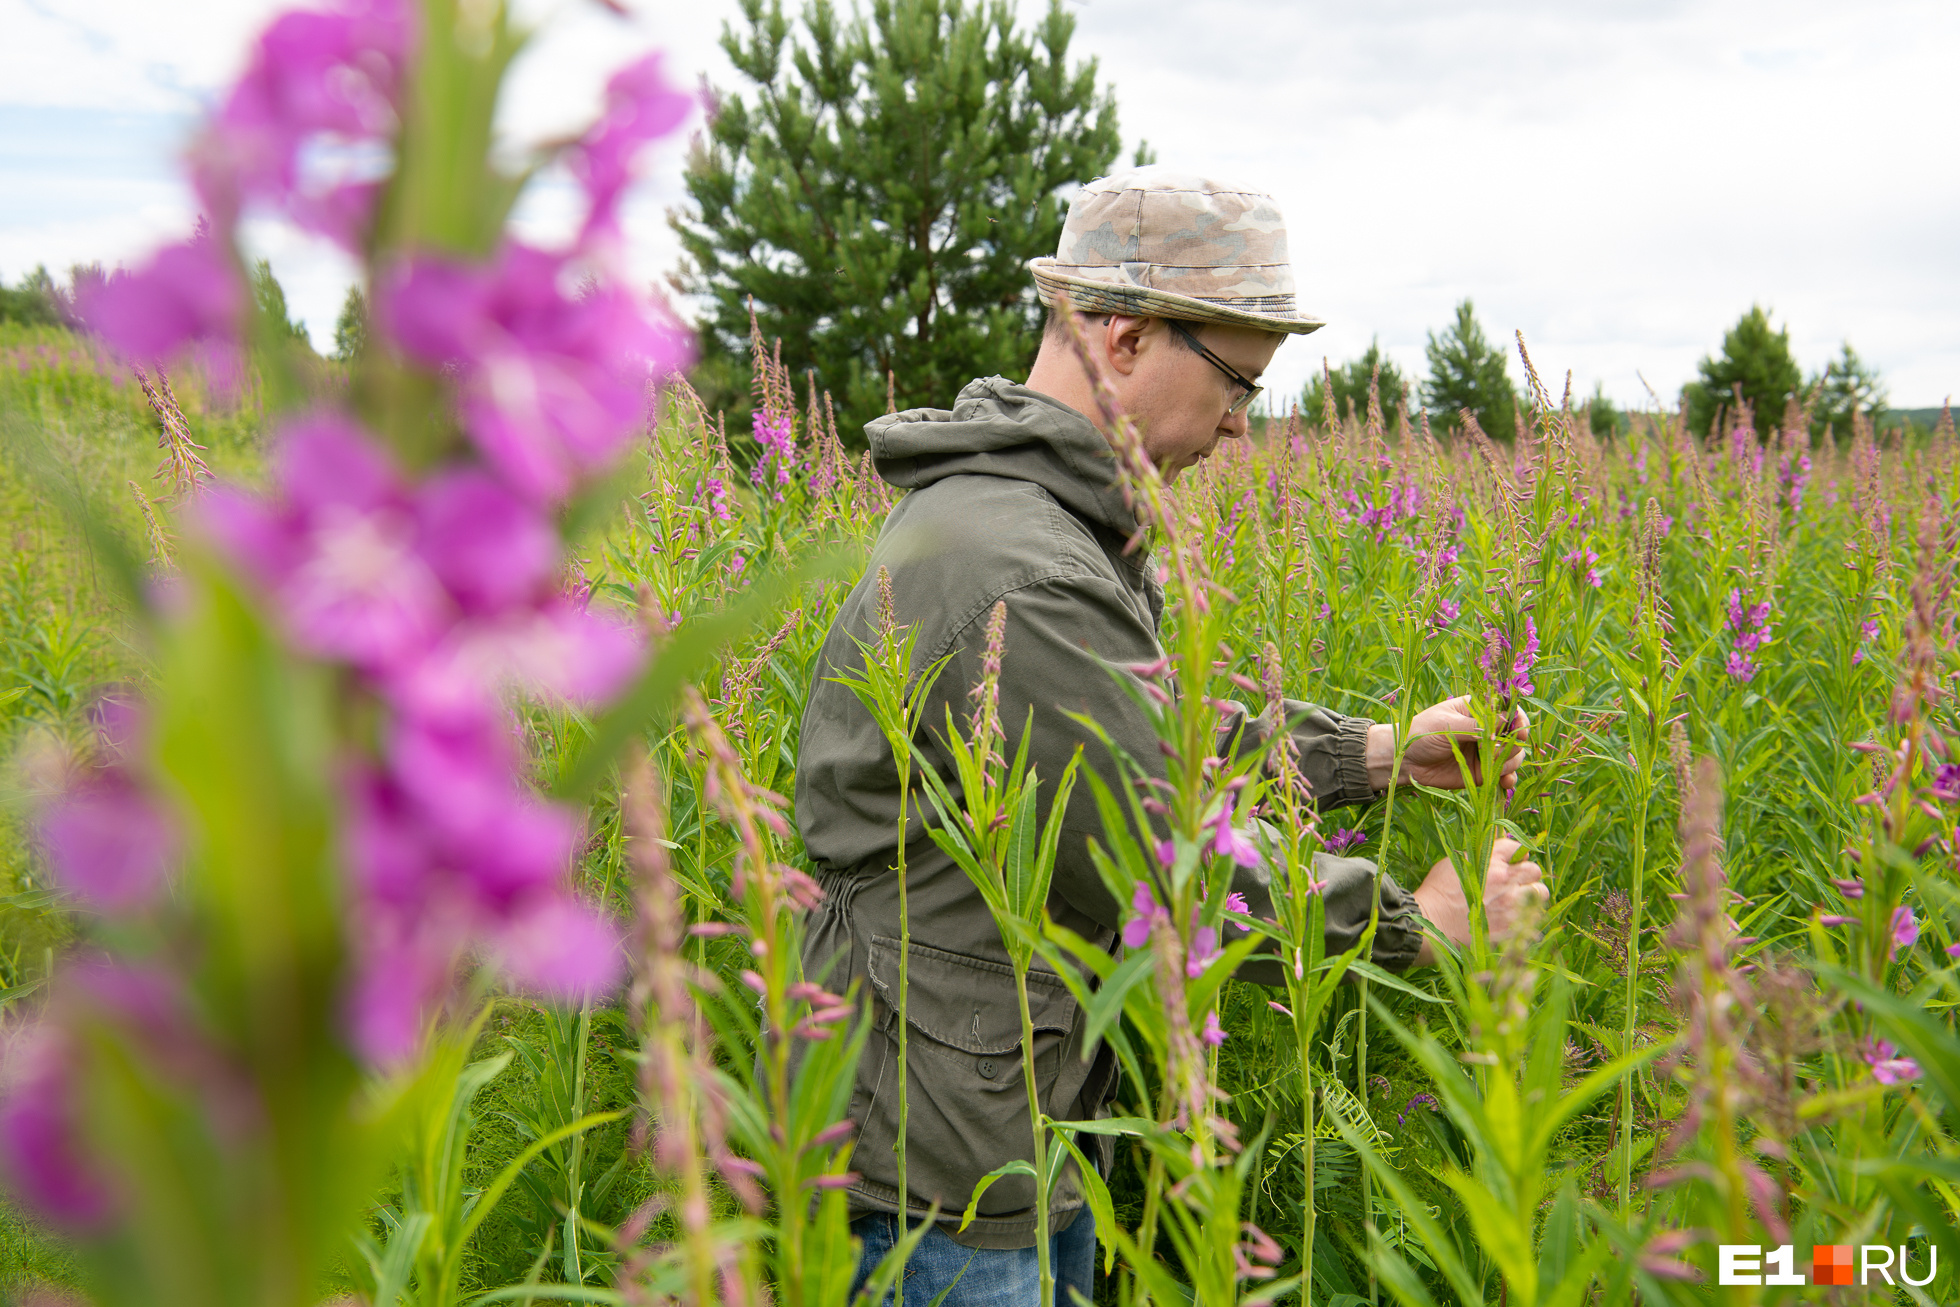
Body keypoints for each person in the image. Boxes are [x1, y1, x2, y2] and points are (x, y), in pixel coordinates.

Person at [793, 169, 1549, 1306]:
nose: (1243, 425)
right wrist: (1419, 928)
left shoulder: (1019, 518)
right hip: (946, 1166)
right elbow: (1170, 846)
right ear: (1127, 335)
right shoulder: (1026, 567)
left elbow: (1145, 737)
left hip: (981, 1104)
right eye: (1240, 381)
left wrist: (1373, 754)